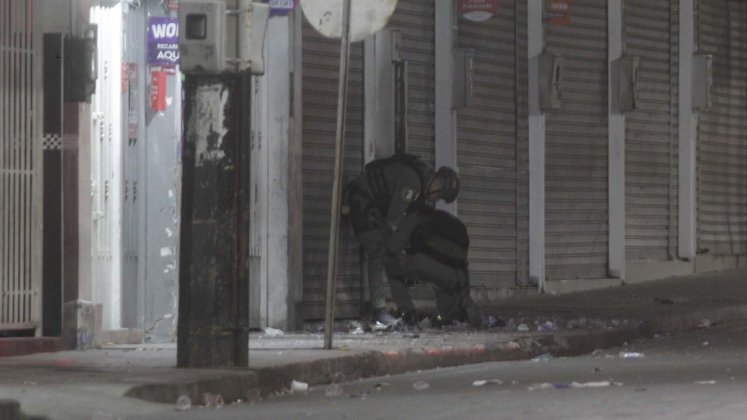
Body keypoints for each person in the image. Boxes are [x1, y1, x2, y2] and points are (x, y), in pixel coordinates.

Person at [346, 153, 460, 326]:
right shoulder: (412, 184)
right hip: (362, 202)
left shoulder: (424, 187)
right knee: (380, 250)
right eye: (440, 195)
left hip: (377, 210)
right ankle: (378, 310)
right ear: (437, 183)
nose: (438, 199)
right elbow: (392, 221)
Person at [384, 204, 482, 327]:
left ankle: (408, 312)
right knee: (450, 309)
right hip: (458, 275)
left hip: (428, 265)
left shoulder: (415, 216)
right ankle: (469, 319)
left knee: (390, 264)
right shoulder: (447, 220)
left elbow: (393, 247)